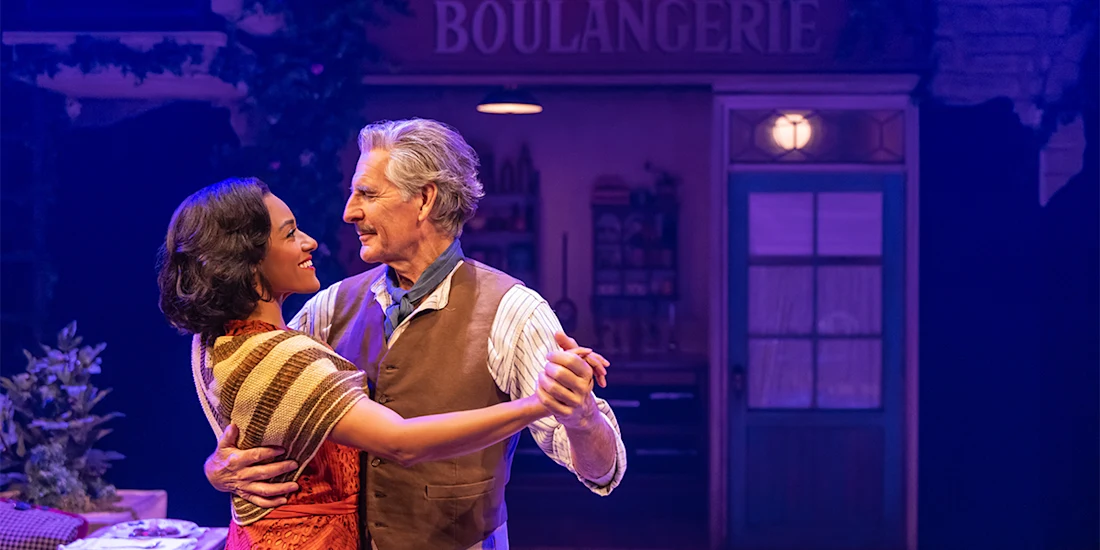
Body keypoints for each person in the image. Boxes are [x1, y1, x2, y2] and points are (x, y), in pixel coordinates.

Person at [205, 118, 628, 550]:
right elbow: (258, 399)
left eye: (367, 194)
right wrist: (219, 465)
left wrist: (582, 418)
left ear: (425, 199)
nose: (349, 212)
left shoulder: (512, 311)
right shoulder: (331, 307)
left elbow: (603, 469)